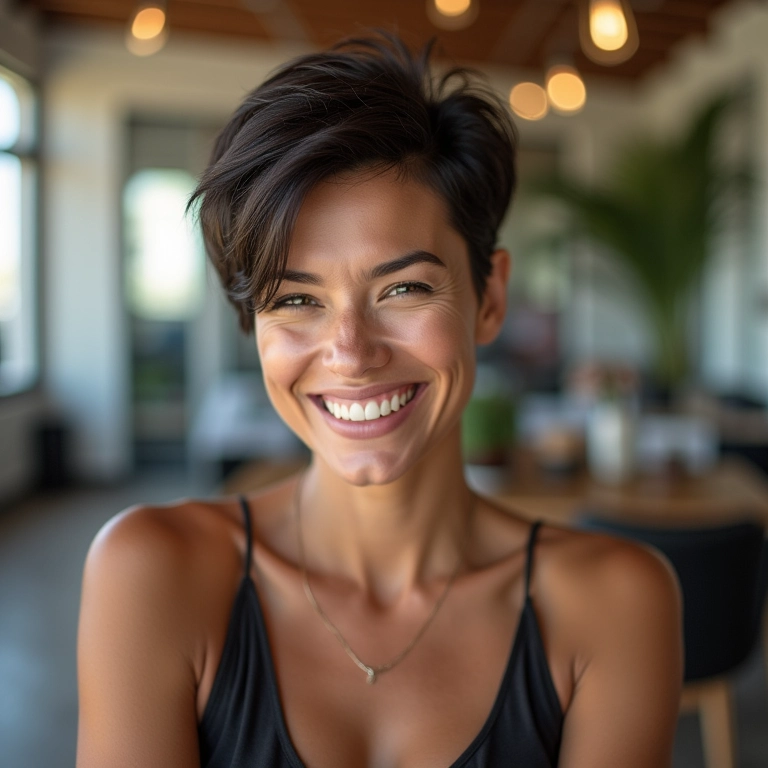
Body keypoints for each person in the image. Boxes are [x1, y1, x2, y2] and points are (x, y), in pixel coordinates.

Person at [76, 33, 683, 768]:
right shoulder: (153, 575)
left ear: (490, 297)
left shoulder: (613, 604)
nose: (350, 353)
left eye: (403, 288)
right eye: (296, 299)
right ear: (255, 328)